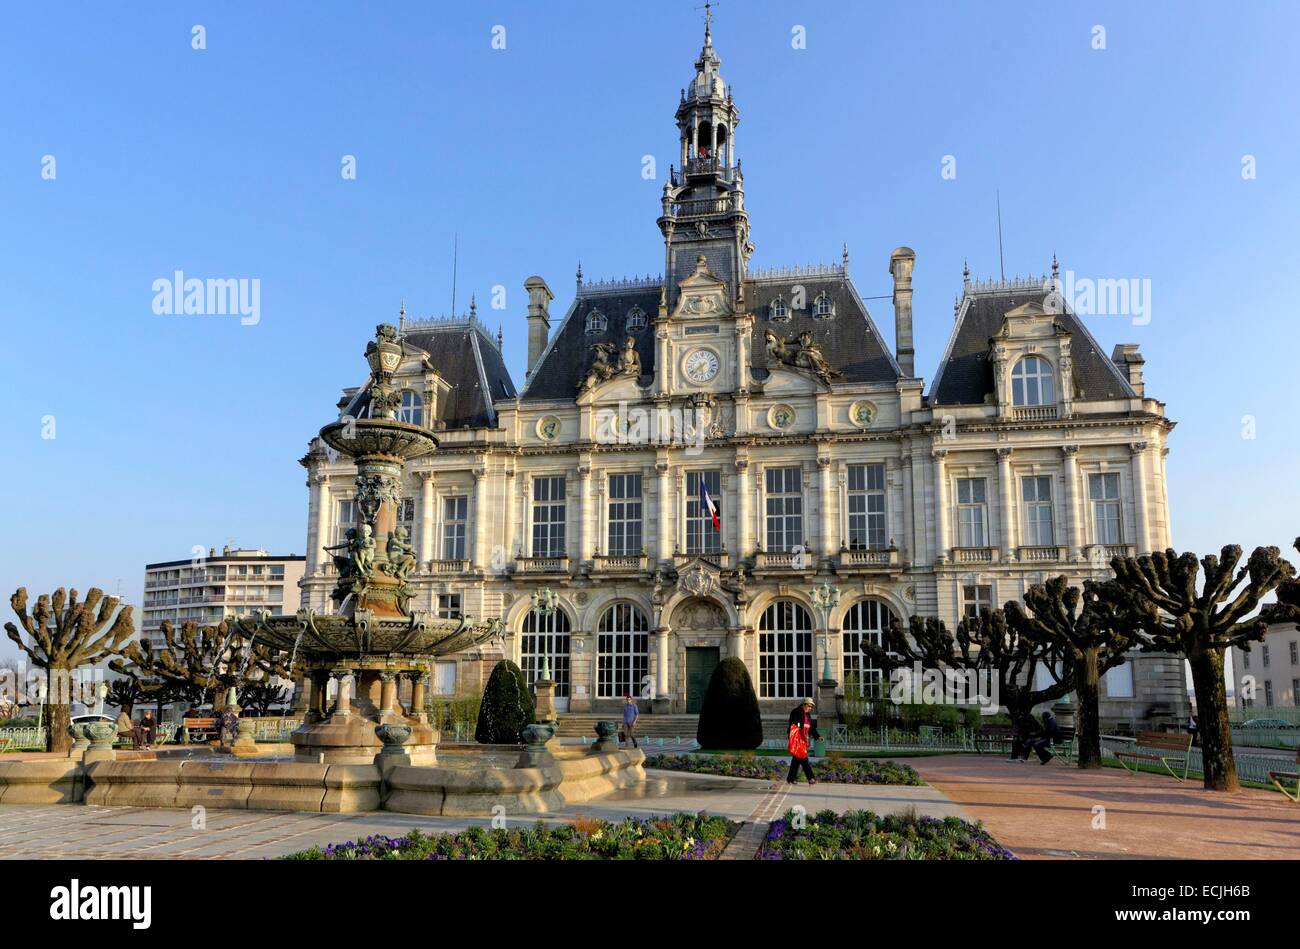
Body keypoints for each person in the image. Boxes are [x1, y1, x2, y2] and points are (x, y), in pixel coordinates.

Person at [786, 698, 821, 785]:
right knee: (804, 759)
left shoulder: (808, 715)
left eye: (811, 707)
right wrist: (799, 730)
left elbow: (811, 727)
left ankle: (790, 778)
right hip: (798, 739)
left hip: (804, 739)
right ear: (804, 704)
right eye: (809, 706)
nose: (810, 708)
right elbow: (793, 725)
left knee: (796, 760)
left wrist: (817, 736)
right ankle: (811, 778)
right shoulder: (796, 712)